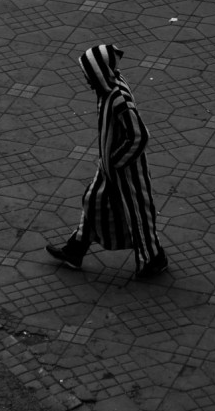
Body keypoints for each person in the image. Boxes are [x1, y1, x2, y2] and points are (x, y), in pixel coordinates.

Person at [46, 44, 167, 279]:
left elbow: (139, 135)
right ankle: (75, 249)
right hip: (111, 166)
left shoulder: (117, 98)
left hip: (127, 169)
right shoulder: (107, 90)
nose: (86, 79)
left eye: (88, 73)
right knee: (95, 201)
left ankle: (153, 258)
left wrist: (117, 161)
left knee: (138, 213)